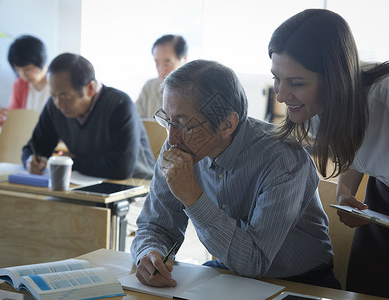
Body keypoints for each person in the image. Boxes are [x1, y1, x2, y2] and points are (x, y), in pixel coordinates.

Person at [130, 59, 341, 289]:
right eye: (168, 121)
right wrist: (149, 253)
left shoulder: (284, 159)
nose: (171, 138)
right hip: (230, 274)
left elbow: (254, 262)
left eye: (183, 125)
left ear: (227, 124)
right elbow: (155, 227)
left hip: (302, 283)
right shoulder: (178, 147)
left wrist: (193, 197)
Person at [268, 9, 389, 299]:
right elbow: (355, 145)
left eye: (296, 83)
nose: (281, 95)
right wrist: (344, 192)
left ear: (335, 77)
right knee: (367, 289)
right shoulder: (314, 107)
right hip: (384, 200)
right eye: (277, 79)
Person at [22, 53, 155, 179]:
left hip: (136, 187)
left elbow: (121, 168)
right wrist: (31, 160)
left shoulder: (119, 105)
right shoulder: (54, 106)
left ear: (90, 89)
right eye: (53, 95)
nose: (59, 105)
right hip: (86, 184)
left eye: (66, 98)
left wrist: (70, 163)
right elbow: (35, 147)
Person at [0, 35, 49, 125]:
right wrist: (4, 117)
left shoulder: (57, 83)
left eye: (27, 69)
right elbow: (13, 119)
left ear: (41, 61)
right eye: (17, 70)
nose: (23, 75)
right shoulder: (20, 84)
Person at [135, 34, 187, 118]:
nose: (161, 70)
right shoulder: (149, 88)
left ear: (183, 59)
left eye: (167, 63)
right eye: (157, 63)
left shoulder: (195, 92)